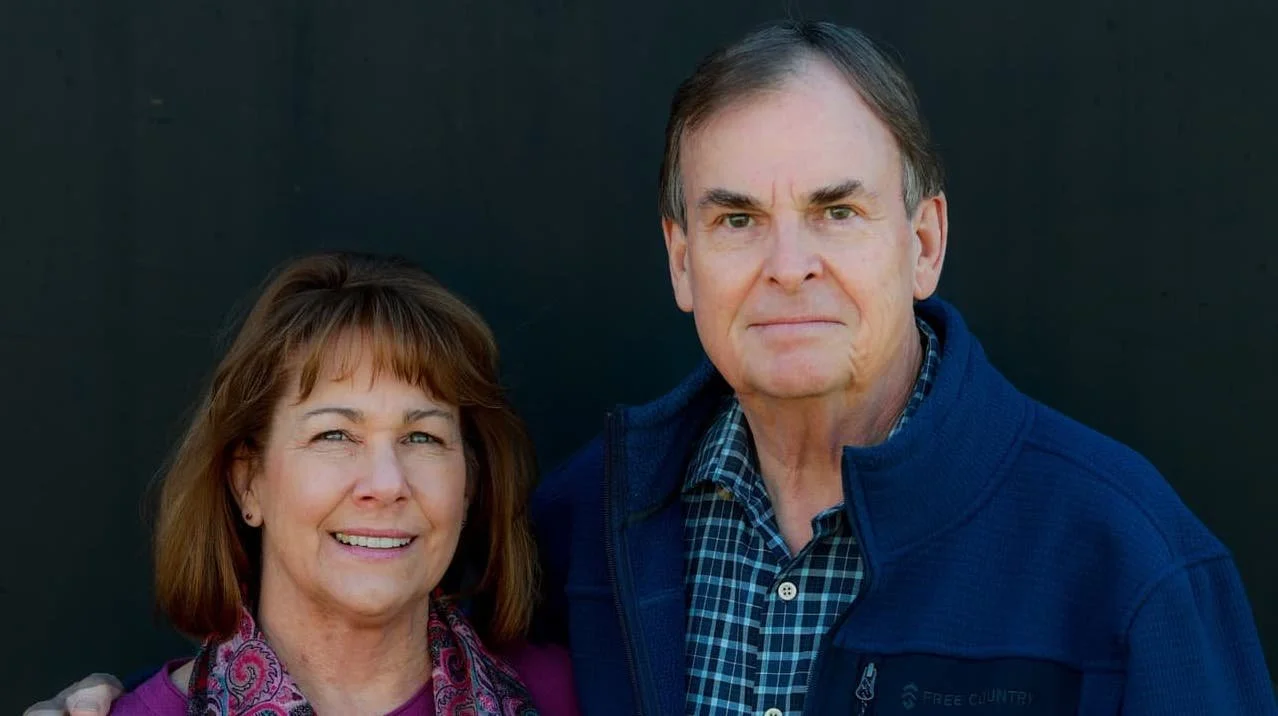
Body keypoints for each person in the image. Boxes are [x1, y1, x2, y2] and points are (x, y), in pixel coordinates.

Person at [30, 19, 1278, 716]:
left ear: (924, 239)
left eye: (837, 209)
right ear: (682, 259)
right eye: (736, 218)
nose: (787, 265)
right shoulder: (592, 530)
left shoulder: (1124, 560)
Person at [25, 252, 579, 715]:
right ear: (248, 482)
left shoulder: (568, 695)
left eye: (422, 437)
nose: (387, 483)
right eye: (335, 435)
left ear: (469, 485)